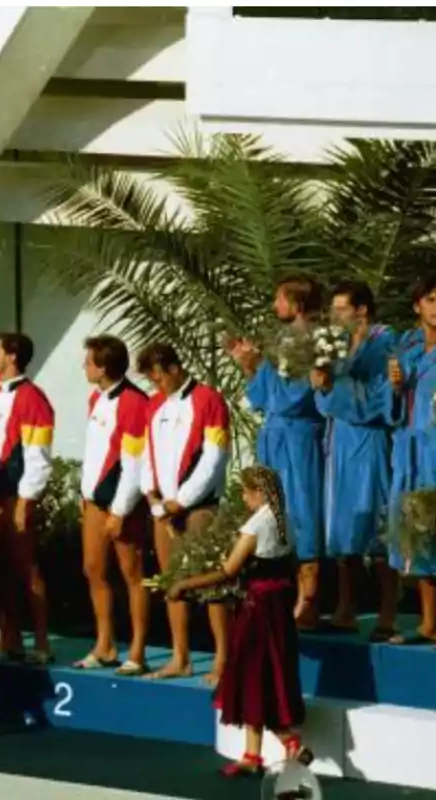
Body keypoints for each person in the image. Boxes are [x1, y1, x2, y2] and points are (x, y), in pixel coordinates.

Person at [168, 466, 312, 777]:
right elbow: (293, 564)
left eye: (246, 492)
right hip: (279, 606)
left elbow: (228, 571)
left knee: (251, 675)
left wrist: (186, 584)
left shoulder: (255, 526)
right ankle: (252, 754)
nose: (244, 498)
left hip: (257, 608)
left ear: (259, 493)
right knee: (270, 673)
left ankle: (288, 742)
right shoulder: (285, 521)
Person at [230, 276, 326, 628]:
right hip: (274, 435)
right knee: (274, 511)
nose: (275, 306)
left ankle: (310, 598)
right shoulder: (282, 341)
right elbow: (262, 398)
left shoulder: (318, 341)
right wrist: (250, 366)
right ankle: (284, 594)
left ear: (297, 304)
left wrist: (263, 372)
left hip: (299, 438)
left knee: (302, 509)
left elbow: (295, 397)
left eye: (279, 299)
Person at [137, 343, 232, 684]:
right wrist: (152, 498)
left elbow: (214, 457)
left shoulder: (209, 400)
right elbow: (147, 455)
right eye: (151, 379)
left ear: (175, 368)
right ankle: (181, 657)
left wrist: (184, 500)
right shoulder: (154, 405)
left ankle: (223, 659)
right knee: (172, 582)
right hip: (164, 508)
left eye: (159, 377)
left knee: (210, 583)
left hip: (199, 506)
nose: (156, 384)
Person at [311, 281, 399, 637]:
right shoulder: (340, 346)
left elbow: (380, 397)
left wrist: (334, 386)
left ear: (362, 309)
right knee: (343, 526)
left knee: (376, 523)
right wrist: (322, 383)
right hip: (341, 441)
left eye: (342, 309)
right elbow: (325, 397)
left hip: (370, 440)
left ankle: (388, 611)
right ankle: (345, 608)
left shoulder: (385, 343)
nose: (335, 317)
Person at [0, 332, 54, 664]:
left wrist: (25, 501)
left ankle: (41, 643)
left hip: (17, 495)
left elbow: (38, 457)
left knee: (26, 567)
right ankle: (9, 638)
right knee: (2, 568)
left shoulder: (32, 398)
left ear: (11, 357)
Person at [77, 335, 151, 675]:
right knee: (93, 569)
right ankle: (104, 644)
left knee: (132, 574)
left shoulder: (135, 402)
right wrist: (85, 492)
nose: (83, 366)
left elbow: (134, 462)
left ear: (103, 366)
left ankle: (137, 650)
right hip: (95, 501)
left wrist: (120, 509)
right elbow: (95, 453)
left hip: (123, 503)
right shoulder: (96, 398)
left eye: (88, 361)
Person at [385, 274, 436, 644]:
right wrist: (397, 388)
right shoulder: (408, 351)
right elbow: (394, 410)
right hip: (412, 453)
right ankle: (427, 622)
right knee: (418, 533)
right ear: (418, 305)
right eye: (432, 300)